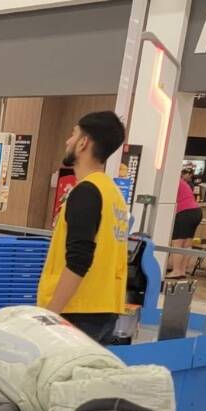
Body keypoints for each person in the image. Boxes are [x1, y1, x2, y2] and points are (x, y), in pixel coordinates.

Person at [37, 111, 129, 344]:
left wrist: (51, 314)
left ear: (83, 142)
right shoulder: (113, 193)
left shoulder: (87, 192)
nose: (68, 141)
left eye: (73, 134)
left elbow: (79, 259)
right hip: (103, 309)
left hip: (77, 311)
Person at [167, 167, 203, 280]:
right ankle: (182, 270)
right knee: (187, 243)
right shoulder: (182, 183)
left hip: (185, 212)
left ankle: (176, 270)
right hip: (196, 211)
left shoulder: (172, 182)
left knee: (177, 243)